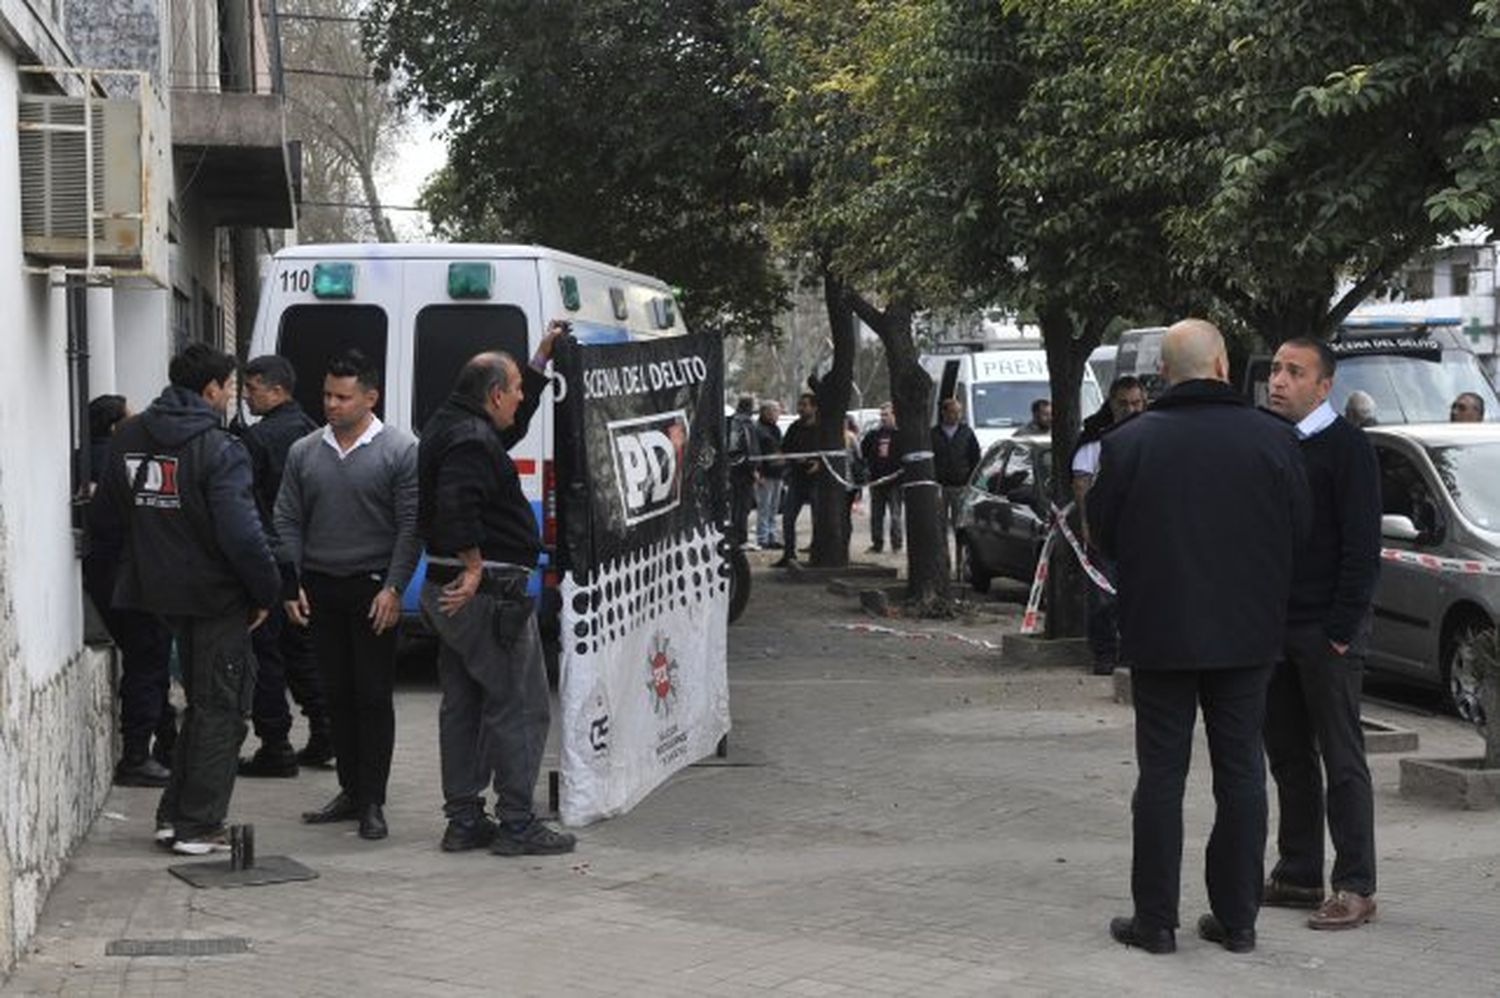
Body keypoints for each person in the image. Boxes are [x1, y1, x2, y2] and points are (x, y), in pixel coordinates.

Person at [1088, 319, 1310, 956]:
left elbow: (1103, 534)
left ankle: (1155, 921)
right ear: (1221, 367)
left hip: (1161, 632)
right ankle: (1237, 918)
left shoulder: (1129, 443)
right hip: (1247, 635)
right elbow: (1301, 533)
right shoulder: (1273, 440)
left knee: (1161, 775)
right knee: (1242, 772)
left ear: (1164, 373)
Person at [94, 343, 281, 854]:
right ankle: (199, 825)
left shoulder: (127, 436)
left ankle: (174, 816)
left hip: (152, 591)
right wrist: (266, 591)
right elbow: (242, 535)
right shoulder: (221, 449)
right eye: (228, 388)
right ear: (210, 390)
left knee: (200, 706)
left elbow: (109, 515)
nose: (230, 398)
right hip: (215, 595)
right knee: (222, 707)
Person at [416, 322, 575, 856]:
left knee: (464, 703)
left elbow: (504, 435)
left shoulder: (453, 424)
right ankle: (516, 824)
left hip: (453, 592)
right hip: (485, 597)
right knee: (521, 706)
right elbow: (457, 504)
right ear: (492, 395)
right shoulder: (467, 440)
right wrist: (476, 565)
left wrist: (537, 360)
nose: (522, 400)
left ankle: (464, 820)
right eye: (518, 391)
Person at [1262, 337, 1382, 931]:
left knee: (1342, 758)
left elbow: (1363, 547)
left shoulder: (1347, 448)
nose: (1278, 380)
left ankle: (1355, 884)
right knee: (1288, 756)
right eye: (1276, 369)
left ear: (1323, 385)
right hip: (1275, 631)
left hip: (1327, 632)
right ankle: (1299, 871)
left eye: (1294, 372)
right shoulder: (1273, 442)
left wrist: (1339, 629)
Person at [276, 350, 420, 842]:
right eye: (326, 395)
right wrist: (290, 582)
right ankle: (349, 790)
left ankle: (373, 801)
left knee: (373, 696)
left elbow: (409, 526)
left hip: (373, 588)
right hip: (320, 587)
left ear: (370, 397)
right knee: (335, 693)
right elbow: (288, 519)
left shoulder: (401, 450)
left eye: (342, 396)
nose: (331, 404)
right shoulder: (304, 451)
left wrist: (395, 587)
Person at [236, 355, 332, 778]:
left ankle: (275, 744)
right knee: (303, 651)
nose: (245, 394)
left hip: (272, 560)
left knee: (266, 653)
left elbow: (249, 507)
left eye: (253, 387)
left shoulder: (259, 441)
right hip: (312, 558)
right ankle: (325, 732)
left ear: (277, 390)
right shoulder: (316, 432)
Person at [84, 394, 177, 787]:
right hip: (128, 573)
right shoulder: (122, 461)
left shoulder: (91, 457)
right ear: (114, 427)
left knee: (149, 657)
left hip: (113, 573)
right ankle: (138, 754)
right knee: (147, 658)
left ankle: (166, 743)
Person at [1073, 376, 1147, 675]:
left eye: (1136, 403)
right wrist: (1087, 525)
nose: (1130, 410)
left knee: (1139, 595)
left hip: (1144, 532)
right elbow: (1082, 484)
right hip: (1107, 532)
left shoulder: (1155, 436)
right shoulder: (1095, 441)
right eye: (1123, 404)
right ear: (1111, 404)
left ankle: (1133, 649)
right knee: (1104, 598)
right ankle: (1104, 652)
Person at [931, 397, 980, 575]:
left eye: (959, 412)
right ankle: (943, 565)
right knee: (939, 528)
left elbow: (976, 459)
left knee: (960, 528)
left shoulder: (967, 433)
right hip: (940, 487)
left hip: (961, 487)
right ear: (944, 413)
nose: (956, 415)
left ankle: (961, 565)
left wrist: (971, 482)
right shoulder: (934, 434)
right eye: (953, 412)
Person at [774, 393, 820, 568]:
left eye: (805, 405)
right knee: (788, 517)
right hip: (797, 478)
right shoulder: (794, 427)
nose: (801, 408)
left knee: (817, 518)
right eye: (800, 405)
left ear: (814, 407)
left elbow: (831, 452)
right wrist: (781, 458)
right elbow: (785, 449)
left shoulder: (821, 428)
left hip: (816, 480)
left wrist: (820, 464)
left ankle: (816, 553)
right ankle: (789, 554)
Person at [861, 403, 904, 553]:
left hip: (895, 482)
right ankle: (877, 543)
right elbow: (864, 453)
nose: (883, 418)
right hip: (877, 481)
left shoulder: (901, 435)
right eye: (882, 415)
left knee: (895, 516)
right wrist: (867, 471)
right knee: (876, 515)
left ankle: (896, 544)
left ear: (894, 416)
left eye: (887, 415)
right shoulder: (873, 435)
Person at [725, 396, 760, 547]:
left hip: (731, 468)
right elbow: (751, 447)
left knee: (733, 505)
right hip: (744, 470)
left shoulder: (729, 421)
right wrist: (754, 468)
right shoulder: (747, 424)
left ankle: (732, 535)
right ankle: (740, 537)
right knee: (743, 505)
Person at [753, 401, 784, 549]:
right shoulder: (758, 430)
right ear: (765, 412)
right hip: (765, 474)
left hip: (777, 473)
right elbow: (755, 452)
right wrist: (757, 472)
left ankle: (772, 536)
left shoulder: (776, 429)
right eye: (775, 411)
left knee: (774, 508)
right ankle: (763, 538)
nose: (778, 414)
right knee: (764, 507)